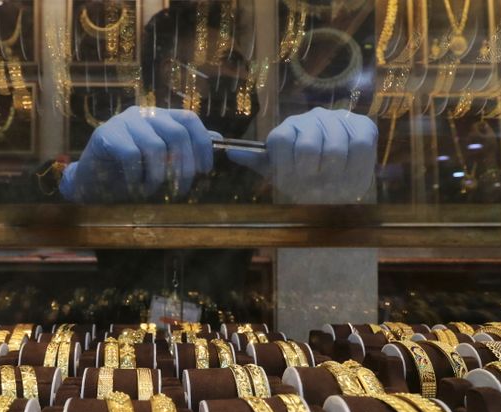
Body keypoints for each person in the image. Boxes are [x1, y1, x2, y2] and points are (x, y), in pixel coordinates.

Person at [50, 2, 379, 325]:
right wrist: (74, 184)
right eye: (227, 60)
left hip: (227, 353)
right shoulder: (119, 153)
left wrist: (344, 175)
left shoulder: (247, 165)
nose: (241, 76)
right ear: (173, 73)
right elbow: (14, 202)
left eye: (242, 63)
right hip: (111, 345)